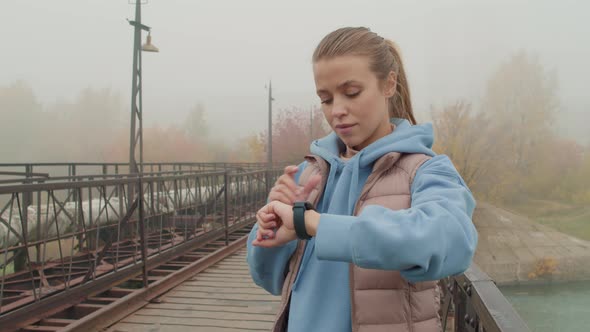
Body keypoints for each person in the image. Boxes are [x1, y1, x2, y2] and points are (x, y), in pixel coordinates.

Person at [247, 27, 477, 332]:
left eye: (352, 92)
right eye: (326, 99)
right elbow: (269, 279)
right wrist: (270, 238)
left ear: (389, 84)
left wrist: (312, 224)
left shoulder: (426, 170)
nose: (338, 111)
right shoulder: (311, 172)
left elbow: (452, 242)